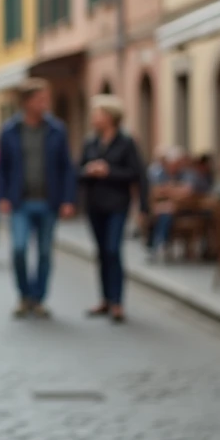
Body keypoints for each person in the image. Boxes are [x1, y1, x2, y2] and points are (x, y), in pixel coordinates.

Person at [0, 78, 77, 319]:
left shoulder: (57, 130)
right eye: (41, 99)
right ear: (27, 102)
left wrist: (68, 199)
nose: (45, 103)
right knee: (19, 249)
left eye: (46, 99)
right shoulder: (10, 130)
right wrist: (2, 195)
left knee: (44, 252)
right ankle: (24, 295)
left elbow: (66, 167)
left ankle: (38, 299)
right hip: (20, 201)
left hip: (49, 201)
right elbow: (3, 167)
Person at [79, 94, 143, 324]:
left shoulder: (126, 142)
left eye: (98, 114)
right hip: (95, 204)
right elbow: (79, 171)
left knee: (113, 249)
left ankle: (117, 302)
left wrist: (109, 171)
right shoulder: (90, 142)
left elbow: (136, 173)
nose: (94, 118)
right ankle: (105, 298)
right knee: (101, 252)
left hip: (117, 204)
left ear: (110, 117)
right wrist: (88, 170)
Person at [147, 146, 196, 258]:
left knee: (164, 212)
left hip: (184, 208)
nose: (173, 167)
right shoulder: (161, 174)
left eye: (175, 164)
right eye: (170, 164)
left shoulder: (186, 173)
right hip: (165, 207)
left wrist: (168, 190)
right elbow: (155, 191)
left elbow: (187, 191)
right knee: (162, 212)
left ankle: (159, 244)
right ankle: (159, 243)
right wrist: (173, 190)